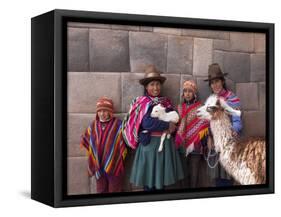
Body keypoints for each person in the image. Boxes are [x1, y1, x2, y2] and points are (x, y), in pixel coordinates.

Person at [122, 65, 184, 191]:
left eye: (157, 84)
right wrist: (167, 125)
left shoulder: (165, 102)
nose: (155, 87)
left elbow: (174, 118)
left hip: (164, 147)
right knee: (149, 183)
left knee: (161, 182)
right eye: (152, 84)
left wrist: (172, 124)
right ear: (146, 87)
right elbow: (146, 123)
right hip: (149, 146)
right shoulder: (143, 102)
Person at [204, 63, 242, 186]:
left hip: (228, 143)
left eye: (217, 81)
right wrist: (209, 137)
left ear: (222, 81)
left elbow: (237, 120)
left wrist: (231, 134)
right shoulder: (210, 100)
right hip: (215, 144)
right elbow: (208, 121)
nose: (215, 85)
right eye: (212, 82)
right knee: (217, 178)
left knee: (226, 179)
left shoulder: (232, 98)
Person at [80, 97, 127, 193]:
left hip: (114, 164)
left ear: (110, 112)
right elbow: (87, 141)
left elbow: (124, 143)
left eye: (105, 111)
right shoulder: (93, 126)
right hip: (99, 166)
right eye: (100, 111)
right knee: (101, 190)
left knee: (115, 189)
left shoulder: (118, 125)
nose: (102, 114)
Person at [175, 80, 210, 188]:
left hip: (196, 146)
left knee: (194, 174)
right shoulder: (179, 108)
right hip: (182, 146)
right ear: (183, 93)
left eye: (190, 91)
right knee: (183, 174)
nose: (187, 94)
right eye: (185, 91)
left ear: (194, 93)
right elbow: (176, 124)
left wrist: (203, 140)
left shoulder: (201, 108)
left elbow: (205, 124)